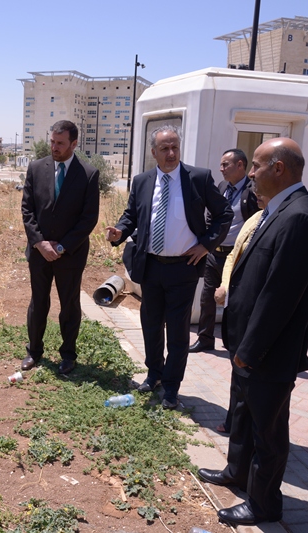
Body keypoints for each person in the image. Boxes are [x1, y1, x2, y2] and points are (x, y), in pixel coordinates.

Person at [196, 137, 308, 527]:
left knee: (267, 431)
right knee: (242, 415)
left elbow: (280, 296)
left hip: (268, 351)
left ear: (279, 168)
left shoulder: (301, 217)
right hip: (249, 344)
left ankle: (264, 503)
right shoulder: (277, 209)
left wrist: (250, 350)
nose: (250, 173)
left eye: (256, 165)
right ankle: (237, 472)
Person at [105, 125, 232, 408]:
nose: (171, 153)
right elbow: (131, 216)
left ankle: (172, 387)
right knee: (151, 325)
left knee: (177, 331)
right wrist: (120, 232)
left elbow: (224, 214)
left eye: (175, 147)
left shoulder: (198, 178)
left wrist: (206, 245)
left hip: (183, 268)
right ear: (154, 152)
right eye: (165, 148)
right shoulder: (142, 181)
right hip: (150, 267)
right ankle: (154, 374)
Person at [20, 120, 100, 375]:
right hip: (39, 253)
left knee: (69, 305)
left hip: (71, 255)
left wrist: (63, 246)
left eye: (60, 143)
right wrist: (39, 242)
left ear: (74, 144)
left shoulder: (88, 174)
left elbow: (89, 218)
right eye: (52, 142)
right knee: (38, 303)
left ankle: (68, 354)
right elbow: (27, 209)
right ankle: (34, 351)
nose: (54, 147)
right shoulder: (36, 168)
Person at [190, 148, 259, 353]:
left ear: (240, 165)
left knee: (235, 300)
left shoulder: (252, 190)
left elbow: (257, 222)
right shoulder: (221, 187)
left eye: (225, 165)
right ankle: (205, 339)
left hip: (237, 257)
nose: (221, 169)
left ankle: (235, 341)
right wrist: (207, 243)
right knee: (207, 297)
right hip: (214, 253)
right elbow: (211, 216)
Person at [212, 192, 269, 435]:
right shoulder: (256, 218)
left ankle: (243, 426)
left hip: (256, 314)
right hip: (237, 308)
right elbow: (233, 256)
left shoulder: (285, 221)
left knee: (249, 377)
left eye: (260, 189)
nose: (255, 193)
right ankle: (233, 421)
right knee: (237, 374)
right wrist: (225, 286)